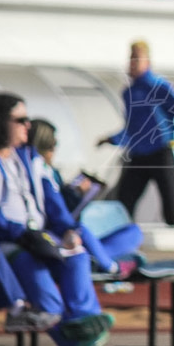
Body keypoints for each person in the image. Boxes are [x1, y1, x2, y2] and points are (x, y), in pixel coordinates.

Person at [0, 92, 114, 346]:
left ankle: (83, 324)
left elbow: (54, 205)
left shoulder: (30, 159)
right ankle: (71, 338)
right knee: (36, 273)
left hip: (39, 235)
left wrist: (67, 231)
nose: (27, 125)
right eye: (20, 120)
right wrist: (22, 235)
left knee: (76, 255)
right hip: (8, 241)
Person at [97, 40, 174, 226]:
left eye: (137, 58)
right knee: (123, 204)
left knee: (172, 217)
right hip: (138, 156)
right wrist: (111, 139)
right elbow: (132, 128)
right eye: (130, 58)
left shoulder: (159, 87)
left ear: (147, 62)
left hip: (160, 153)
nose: (132, 63)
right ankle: (124, 243)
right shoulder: (129, 93)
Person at [29, 118, 144, 277]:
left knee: (134, 232)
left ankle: (96, 258)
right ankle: (110, 266)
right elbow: (57, 213)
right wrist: (75, 194)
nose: (55, 148)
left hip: (73, 234)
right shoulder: (37, 173)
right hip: (58, 235)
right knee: (81, 232)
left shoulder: (50, 171)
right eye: (53, 144)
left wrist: (78, 193)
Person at [0, 216, 62, 346]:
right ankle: (16, 308)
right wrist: (21, 232)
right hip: (8, 239)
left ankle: (75, 336)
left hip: (36, 235)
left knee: (78, 255)